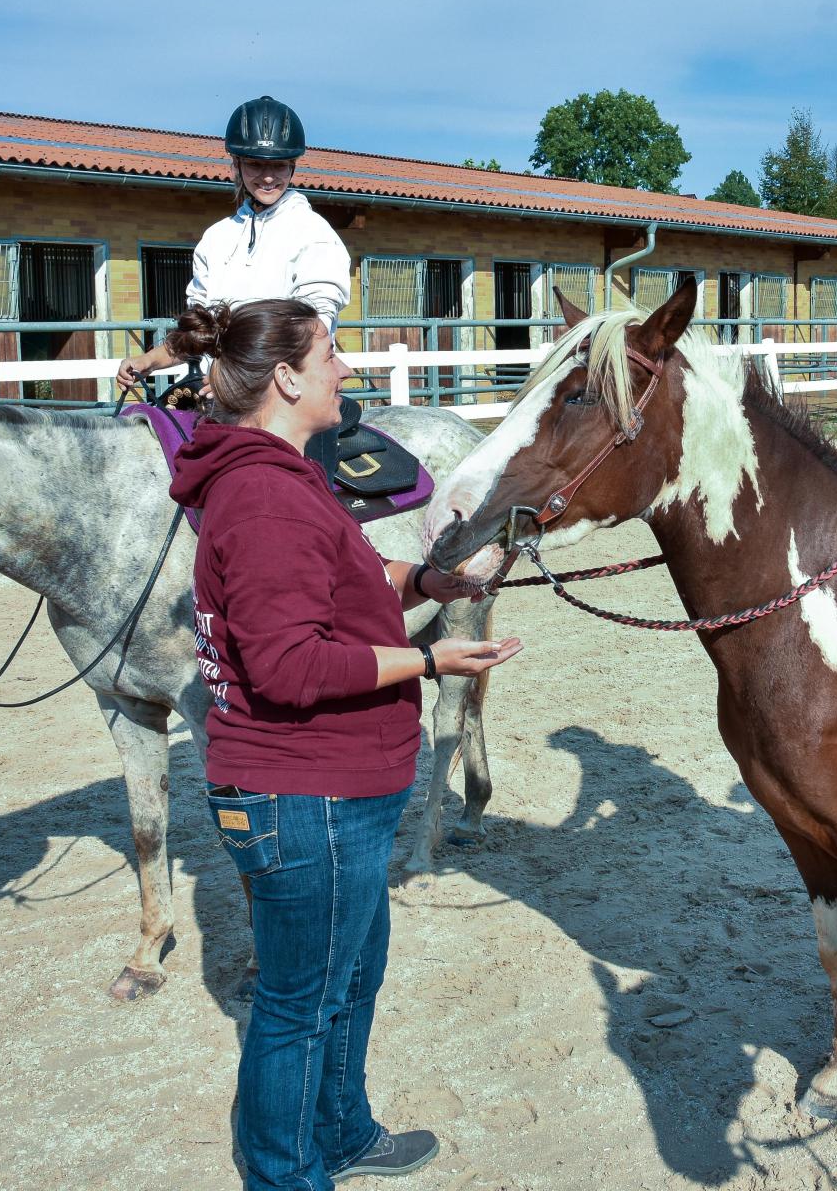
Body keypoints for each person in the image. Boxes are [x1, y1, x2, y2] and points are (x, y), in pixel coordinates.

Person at [168, 297, 521, 1189]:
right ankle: (286, 1174)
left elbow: (347, 574)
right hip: (305, 795)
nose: (348, 369)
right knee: (298, 1007)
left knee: (350, 978)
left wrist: (428, 580)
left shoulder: (283, 480)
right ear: (287, 378)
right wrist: (430, 661)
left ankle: (341, 1133)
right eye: (331, 353)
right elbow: (289, 665)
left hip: (332, 790)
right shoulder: (264, 498)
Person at [118, 95, 353, 472]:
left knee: (297, 497)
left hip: (289, 405)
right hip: (221, 403)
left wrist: (236, 380)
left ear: (292, 166)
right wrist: (148, 361)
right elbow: (201, 331)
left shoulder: (313, 233)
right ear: (237, 164)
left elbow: (312, 330)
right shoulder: (216, 238)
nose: (268, 176)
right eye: (256, 164)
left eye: (278, 165)